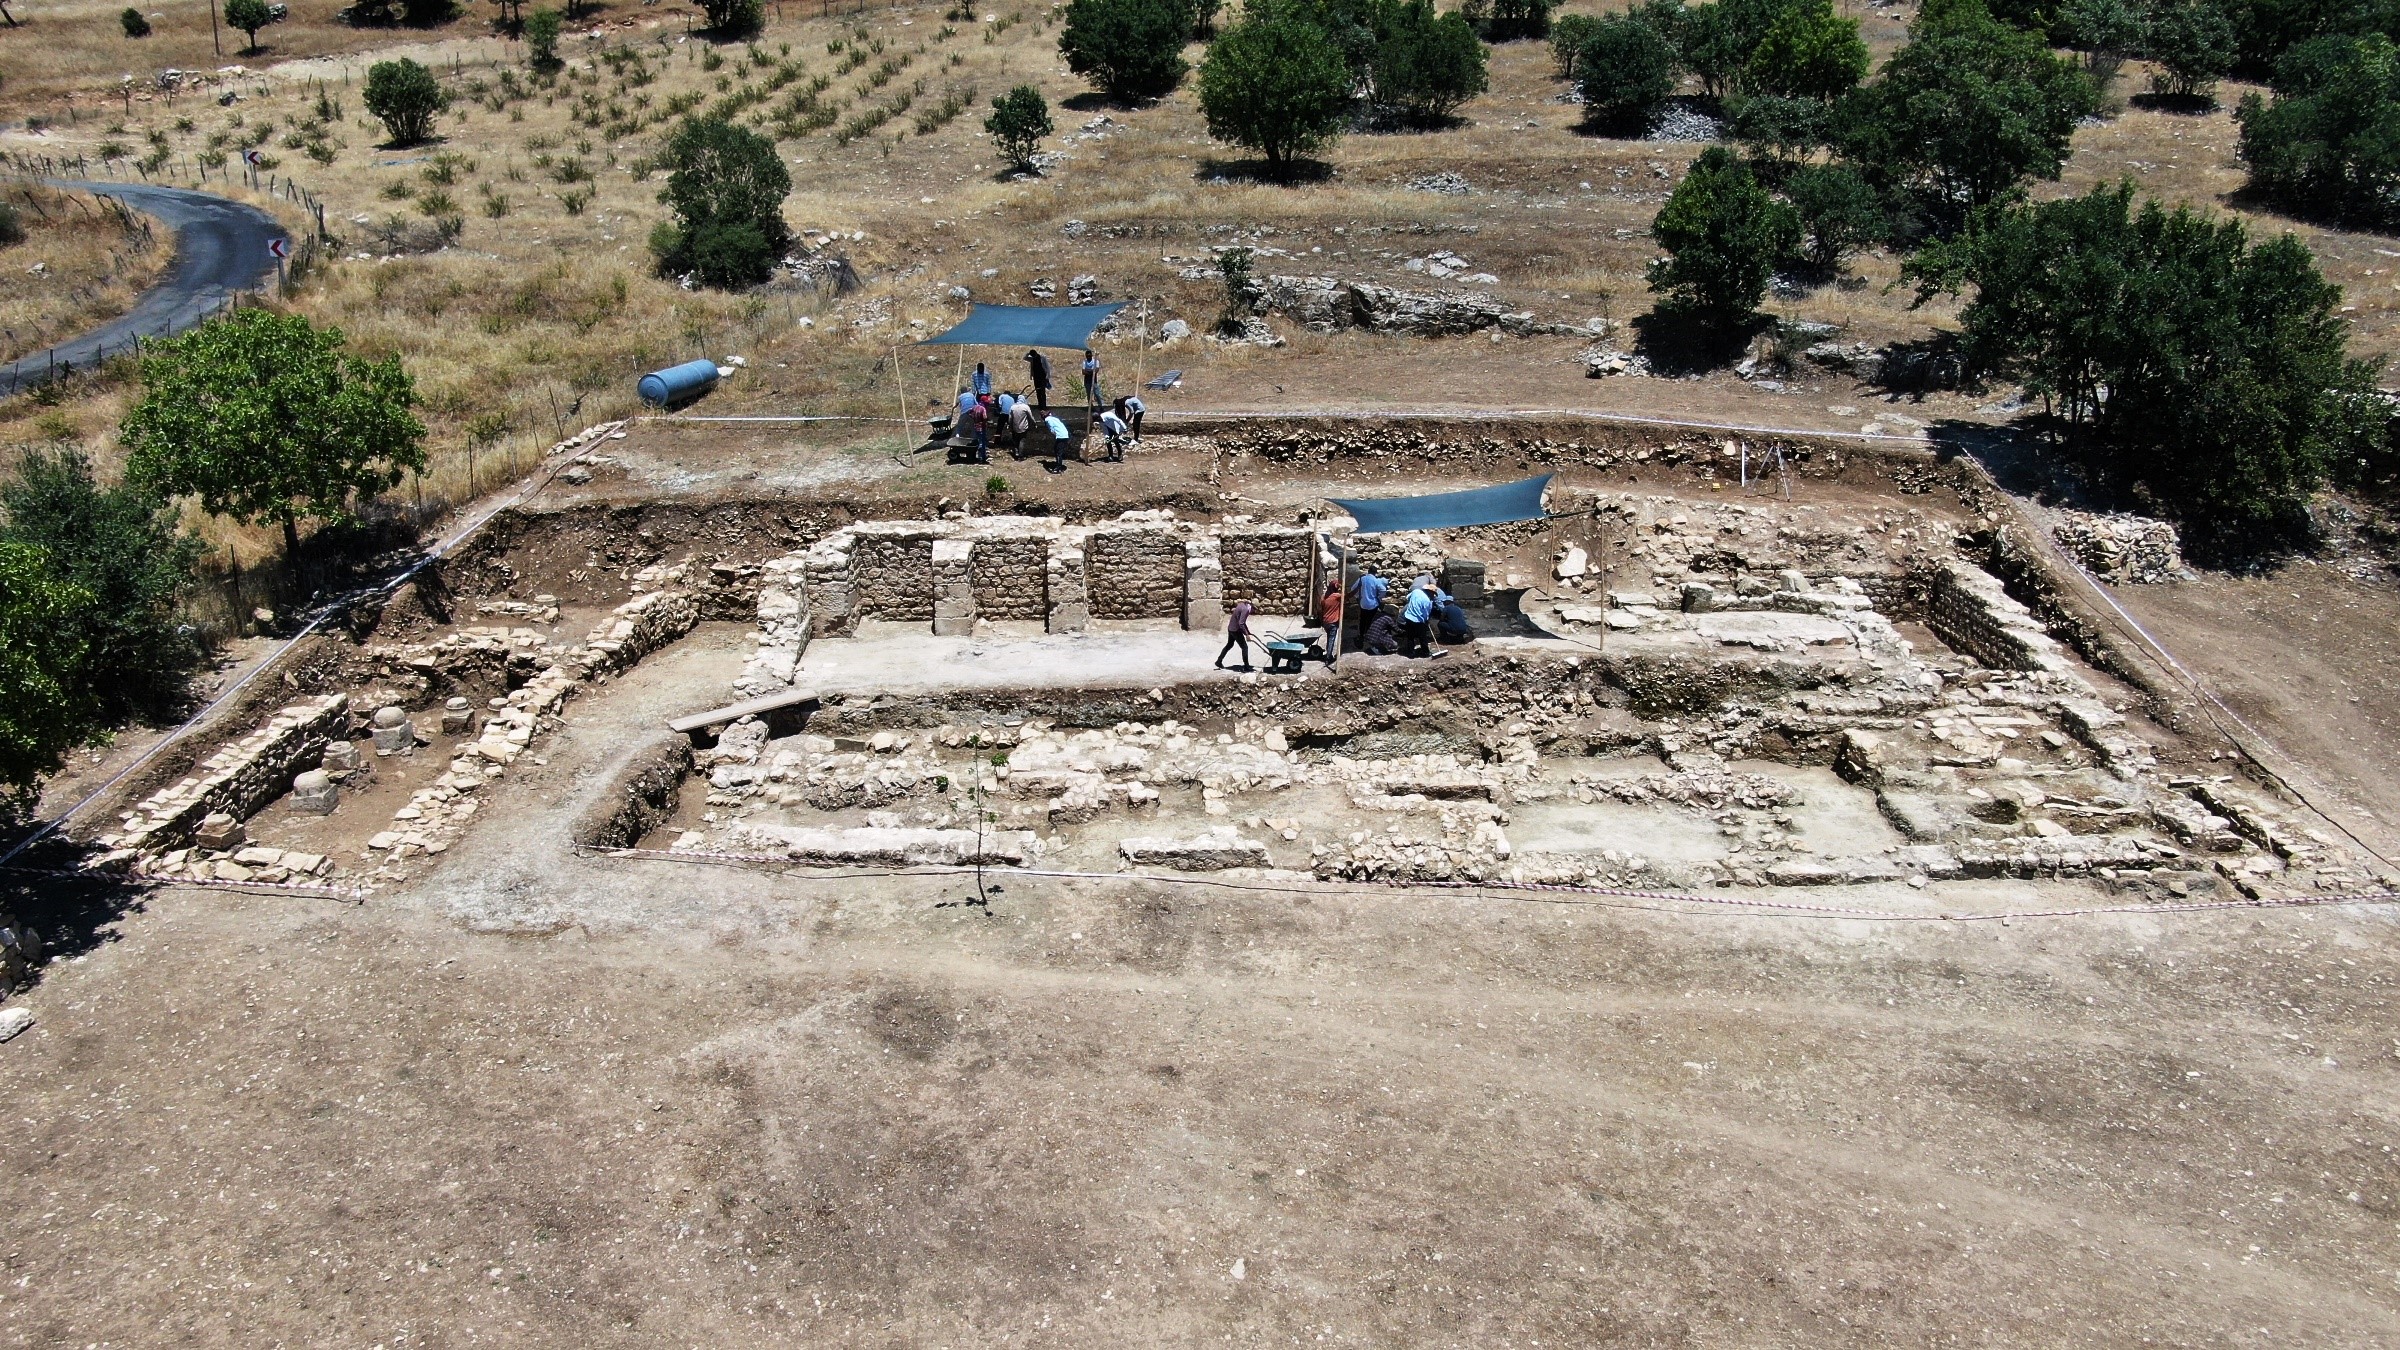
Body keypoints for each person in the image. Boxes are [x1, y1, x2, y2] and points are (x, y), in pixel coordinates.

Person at [1401, 575, 1449, 659]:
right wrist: (1426, 621)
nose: (1433, 596)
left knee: (1410, 636)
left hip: (1408, 617)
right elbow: (1426, 614)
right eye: (1433, 594)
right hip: (1419, 621)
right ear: (1430, 592)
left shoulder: (1416, 592)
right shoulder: (1427, 601)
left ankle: (1411, 654)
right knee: (1422, 637)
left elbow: (1407, 598)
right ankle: (1425, 653)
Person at [1215, 597, 1254, 670]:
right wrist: (1247, 635)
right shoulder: (1245, 610)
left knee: (1229, 645)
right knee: (1244, 647)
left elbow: (1242, 622)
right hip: (1236, 630)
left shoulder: (1241, 605)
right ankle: (1246, 666)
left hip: (1231, 628)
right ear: (1251, 607)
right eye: (1253, 610)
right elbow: (1241, 623)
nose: (1252, 612)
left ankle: (1219, 661)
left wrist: (1248, 632)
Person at [1319, 580, 1344, 667]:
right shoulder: (1336, 596)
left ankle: (1328, 654)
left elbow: (1321, 609)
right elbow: (1348, 596)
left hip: (1325, 621)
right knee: (1331, 640)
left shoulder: (1324, 597)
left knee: (1329, 638)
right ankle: (1328, 658)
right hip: (1333, 621)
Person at [966, 394, 991, 464]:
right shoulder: (983, 409)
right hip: (981, 428)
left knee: (979, 440)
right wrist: (984, 422)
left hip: (976, 426)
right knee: (981, 443)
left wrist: (973, 417)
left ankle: (982, 455)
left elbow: (968, 412)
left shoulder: (974, 407)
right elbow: (985, 417)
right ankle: (982, 458)